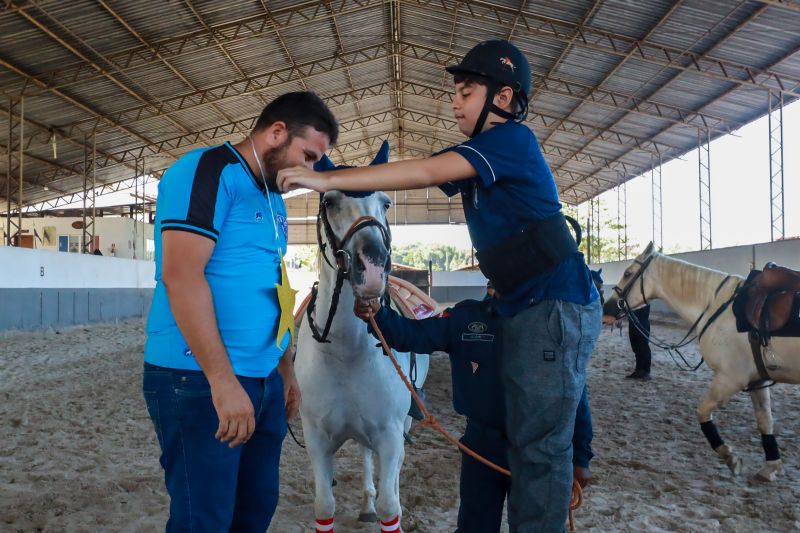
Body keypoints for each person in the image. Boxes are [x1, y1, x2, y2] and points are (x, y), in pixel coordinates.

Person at [279, 40, 600, 532]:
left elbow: (425, 171)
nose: (454, 103)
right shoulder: (484, 156)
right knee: (508, 428)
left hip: (553, 303)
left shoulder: (512, 141)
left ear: (504, 99)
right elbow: (421, 168)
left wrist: (327, 180)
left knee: (538, 448)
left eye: (466, 93)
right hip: (520, 301)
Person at [143, 91, 338, 531]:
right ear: (276, 132)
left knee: (254, 510)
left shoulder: (272, 198)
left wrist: (284, 367)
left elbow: (275, 284)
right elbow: (181, 276)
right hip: (197, 379)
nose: (309, 172)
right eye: (308, 157)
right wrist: (222, 381)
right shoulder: (207, 170)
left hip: (263, 378)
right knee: (204, 518)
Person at [354, 285, 594, 533]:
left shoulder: (553, 323)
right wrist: (379, 315)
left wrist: (581, 455)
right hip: (482, 446)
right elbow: (413, 334)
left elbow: (575, 390)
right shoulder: (466, 318)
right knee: (475, 526)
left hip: (540, 448)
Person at [626, 305, 652, 380]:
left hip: (641, 322)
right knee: (636, 346)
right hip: (633, 322)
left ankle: (646, 371)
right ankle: (639, 370)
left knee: (643, 345)